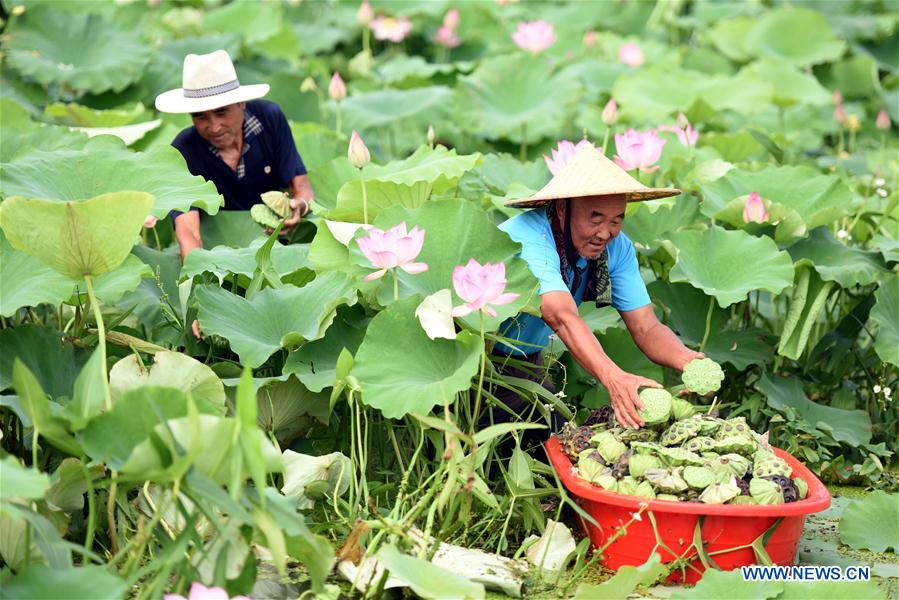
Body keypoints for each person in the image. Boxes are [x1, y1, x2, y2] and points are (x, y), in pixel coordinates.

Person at [494, 144, 703, 434]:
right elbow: (561, 317)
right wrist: (614, 378)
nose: (606, 232)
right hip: (478, 360)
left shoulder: (617, 248)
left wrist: (688, 361)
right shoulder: (529, 239)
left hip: (529, 362)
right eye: (596, 218)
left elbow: (646, 328)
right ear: (564, 208)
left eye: (616, 220)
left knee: (556, 447)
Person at [155, 50, 314, 262]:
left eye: (222, 112)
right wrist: (198, 275)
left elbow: (302, 188)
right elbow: (188, 234)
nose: (214, 126)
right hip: (219, 256)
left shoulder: (269, 120)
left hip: (277, 245)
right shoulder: (184, 151)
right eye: (200, 116)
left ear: (241, 103)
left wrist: (299, 206)